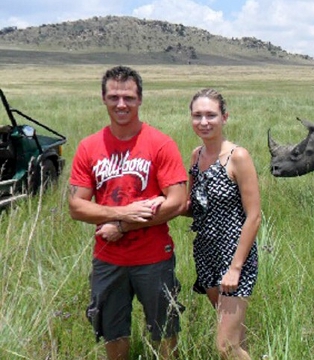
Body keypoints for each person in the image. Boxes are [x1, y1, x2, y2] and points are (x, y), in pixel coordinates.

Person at [68, 65, 188, 360]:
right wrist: (124, 211)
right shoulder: (89, 147)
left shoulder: (160, 144)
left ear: (140, 99)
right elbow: (76, 206)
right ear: (103, 99)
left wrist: (122, 225)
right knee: (113, 333)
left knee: (164, 331)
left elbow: (178, 200)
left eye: (129, 97)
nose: (121, 104)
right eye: (114, 97)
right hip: (108, 259)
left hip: (154, 258)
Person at [184, 88, 261, 360]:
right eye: (197, 115)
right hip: (205, 253)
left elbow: (254, 216)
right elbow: (190, 206)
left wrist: (235, 268)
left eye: (211, 115)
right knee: (234, 338)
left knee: (225, 347)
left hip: (234, 255)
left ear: (224, 117)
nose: (204, 122)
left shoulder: (237, 157)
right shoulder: (196, 156)